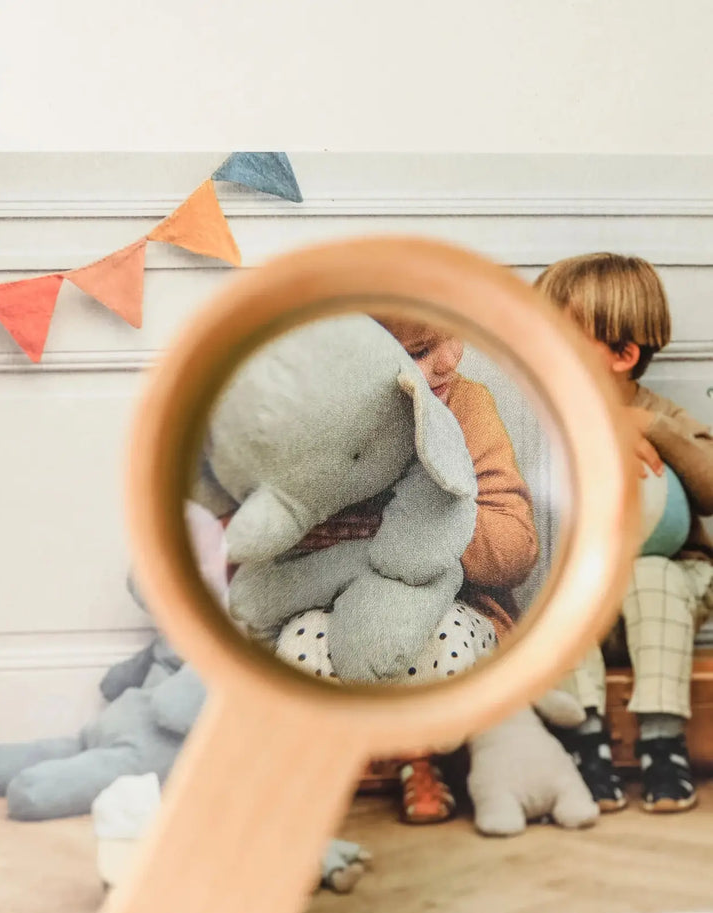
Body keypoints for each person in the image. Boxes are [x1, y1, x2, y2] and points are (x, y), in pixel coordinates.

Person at [294, 314, 540, 823]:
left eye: (453, 336)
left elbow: (516, 549)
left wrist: (408, 528)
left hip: (450, 608)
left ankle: (420, 758)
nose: (449, 360)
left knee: (434, 640)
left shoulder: (467, 403)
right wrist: (304, 532)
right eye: (419, 353)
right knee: (299, 644)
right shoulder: (318, 418)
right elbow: (264, 528)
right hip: (338, 603)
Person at [536, 252, 713, 813]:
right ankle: (586, 739)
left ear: (622, 355)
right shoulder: (536, 415)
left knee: (652, 571)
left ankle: (663, 741)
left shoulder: (660, 413)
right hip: (584, 597)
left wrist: (649, 428)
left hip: (666, 593)